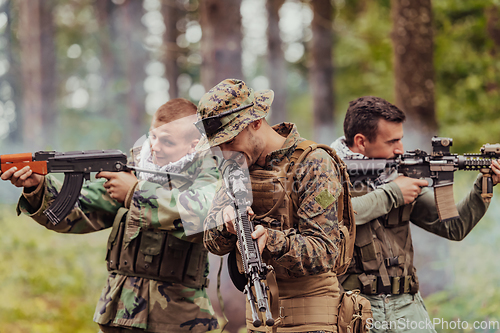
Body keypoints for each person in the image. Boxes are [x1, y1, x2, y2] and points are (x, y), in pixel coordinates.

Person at [1, 98, 220, 333]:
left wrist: (135, 193)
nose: (155, 147)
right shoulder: (136, 170)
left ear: (193, 145)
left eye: (167, 141)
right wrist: (38, 187)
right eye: (152, 136)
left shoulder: (207, 176)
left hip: (178, 322)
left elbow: (203, 217)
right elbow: (74, 211)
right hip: (118, 316)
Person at [330, 96, 500, 333]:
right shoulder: (325, 173)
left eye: (401, 138)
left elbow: (454, 227)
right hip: (355, 309)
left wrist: (485, 184)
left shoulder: (397, 174)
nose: (400, 148)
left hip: (407, 307)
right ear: (361, 141)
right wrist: (392, 194)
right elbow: (333, 218)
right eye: (392, 141)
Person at [196, 78, 347, 332]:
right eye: (217, 146)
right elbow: (211, 242)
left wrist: (271, 240)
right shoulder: (236, 165)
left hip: (311, 316)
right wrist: (227, 223)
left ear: (255, 121)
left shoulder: (314, 163)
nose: (224, 153)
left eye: (230, 141)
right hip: (260, 315)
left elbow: (325, 251)